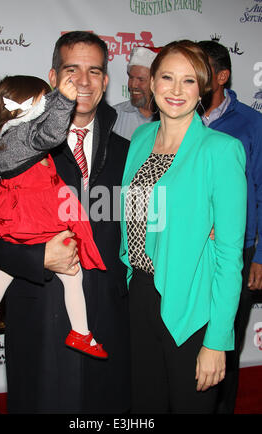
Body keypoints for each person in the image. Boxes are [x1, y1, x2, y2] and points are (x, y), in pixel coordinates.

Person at [0, 31, 130, 414]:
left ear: (106, 82)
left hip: (107, 320)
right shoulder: (16, 146)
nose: (83, 82)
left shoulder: (128, 151)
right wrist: (38, 257)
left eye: (94, 71)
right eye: (72, 70)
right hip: (36, 317)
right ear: (53, 79)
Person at [120, 40, 247, 414]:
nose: (176, 90)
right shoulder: (141, 138)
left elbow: (228, 254)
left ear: (203, 87)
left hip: (191, 303)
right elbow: (132, 215)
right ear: (153, 82)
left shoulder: (220, 150)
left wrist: (218, 340)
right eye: (168, 78)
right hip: (141, 293)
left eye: (189, 81)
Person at [0, 74, 108, 360]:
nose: (49, 107)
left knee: (4, 270)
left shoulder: (0, 141)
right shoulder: (29, 135)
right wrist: (65, 101)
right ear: (28, 108)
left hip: (11, 220)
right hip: (41, 219)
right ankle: (81, 333)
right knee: (73, 276)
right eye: (43, 102)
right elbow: (53, 133)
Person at [198, 39, 262, 414]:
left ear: (221, 76)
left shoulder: (252, 124)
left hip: (237, 250)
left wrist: (259, 255)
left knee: (225, 340)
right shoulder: (175, 119)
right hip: (187, 250)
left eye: (200, 70)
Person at [113, 46, 160, 140]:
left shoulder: (172, 119)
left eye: (141, 79)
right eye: (131, 77)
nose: (133, 85)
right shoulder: (115, 115)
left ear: (156, 83)